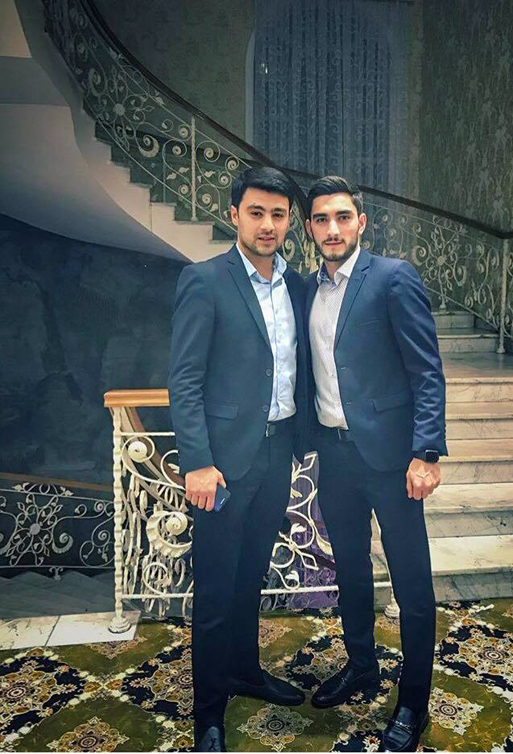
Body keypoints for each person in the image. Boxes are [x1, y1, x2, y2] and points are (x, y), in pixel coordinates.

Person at [304, 176, 447, 752]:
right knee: (351, 570)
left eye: (343, 217)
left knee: (411, 582)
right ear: (310, 228)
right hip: (335, 456)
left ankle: (414, 703)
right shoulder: (306, 289)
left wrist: (426, 452)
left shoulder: (392, 277)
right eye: (321, 219)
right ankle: (362, 666)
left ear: (361, 222)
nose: (332, 228)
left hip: (391, 459)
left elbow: (426, 372)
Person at [169, 167, 309, 752]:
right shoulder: (204, 280)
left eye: (278, 214)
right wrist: (197, 463)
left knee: (252, 576)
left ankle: (246, 672)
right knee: (216, 591)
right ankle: (208, 714)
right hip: (222, 465)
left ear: (289, 222)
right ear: (234, 215)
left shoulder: (298, 287)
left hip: (278, 454)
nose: (268, 224)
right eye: (257, 212)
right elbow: (185, 380)